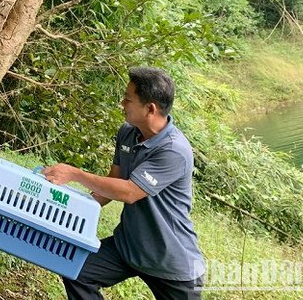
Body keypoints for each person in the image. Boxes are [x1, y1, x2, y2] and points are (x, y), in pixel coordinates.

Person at [42, 67, 205, 300]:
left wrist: (75, 173)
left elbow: (129, 192)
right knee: (76, 271)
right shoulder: (128, 132)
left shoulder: (174, 150)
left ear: (150, 108)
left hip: (171, 261)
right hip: (128, 247)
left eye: (128, 99)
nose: (122, 103)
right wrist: (69, 209)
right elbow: (114, 182)